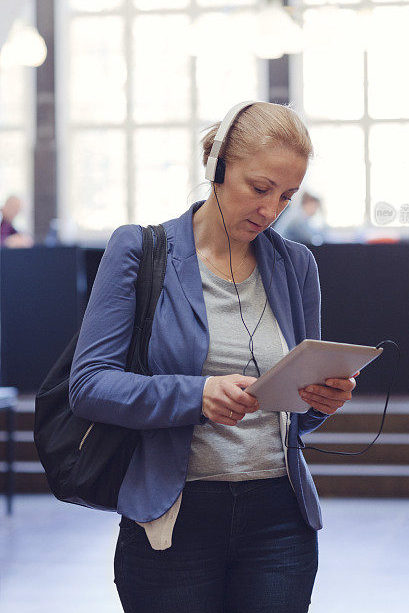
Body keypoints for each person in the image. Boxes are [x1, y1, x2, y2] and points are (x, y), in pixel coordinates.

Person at [69, 101, 357, 613]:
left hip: (280, 517)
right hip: (174, 518)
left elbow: (297, 418)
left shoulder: (296, 265)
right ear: (216, 168)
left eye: (287, 197)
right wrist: (196, 394)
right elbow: (89, 385)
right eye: (260, 188)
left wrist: (319, 401)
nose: (271, 210)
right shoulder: (139, 250)